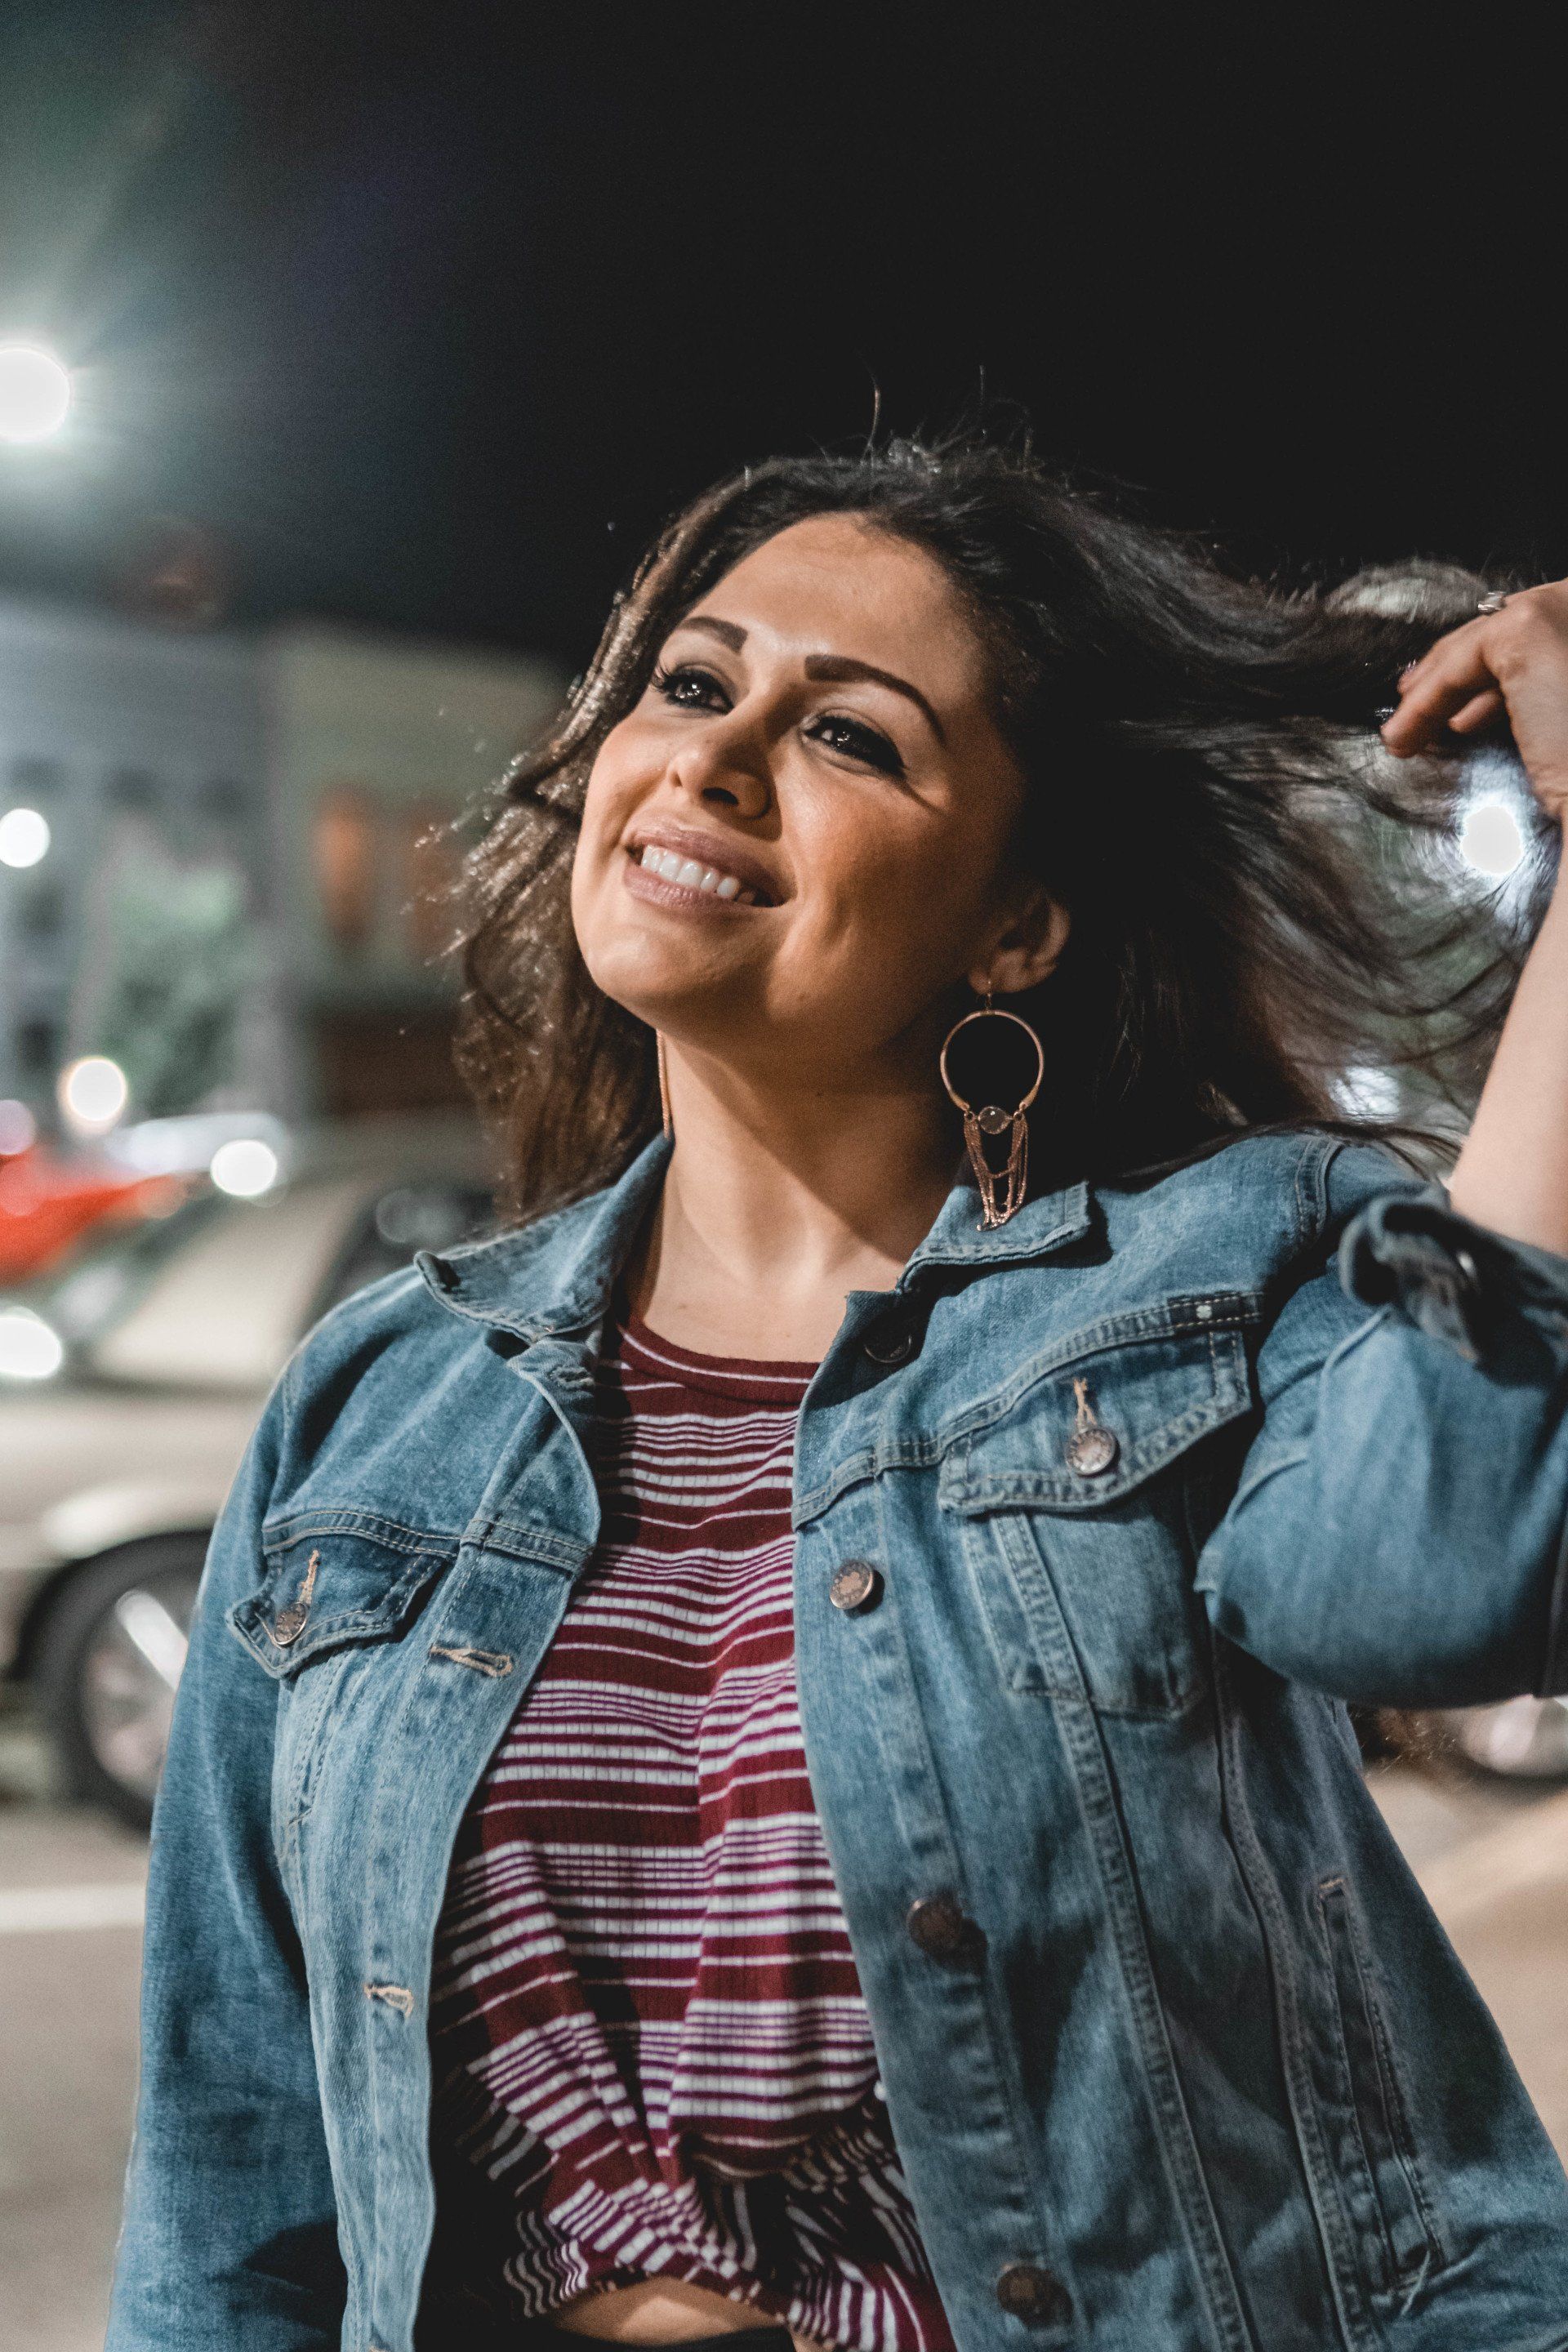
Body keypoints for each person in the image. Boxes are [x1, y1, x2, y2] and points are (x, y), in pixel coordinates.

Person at [107, 438, 1568, 2352]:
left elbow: (1452, 1573)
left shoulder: (1207, 1279)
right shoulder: (385, 1401)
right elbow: (236, 2167)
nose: (713, 755)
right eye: (693, 684)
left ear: (1016, 922)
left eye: (852, 737)